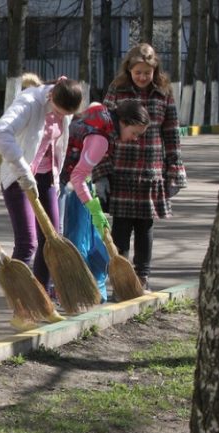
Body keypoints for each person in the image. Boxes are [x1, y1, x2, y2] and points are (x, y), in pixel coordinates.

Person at [0, 77, 83, 322]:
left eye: (66, 115)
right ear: (51, 97)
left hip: (46, 178)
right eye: (58, 112)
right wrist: (22, 169)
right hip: (19, 178)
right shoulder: (29, 102)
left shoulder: (65, 108)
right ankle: (21, 309)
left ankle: (41, 302)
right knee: (28, 242)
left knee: (52, 238)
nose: (61, 117)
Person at [98, 43, 187, 291]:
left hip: (151, 169)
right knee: (121, 226)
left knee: (145, 225)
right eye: (138, 72)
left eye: (147, 73)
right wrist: (102, 172)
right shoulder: (117, 90)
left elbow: (171, 132)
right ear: (129, 69)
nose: (142, 77)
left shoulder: (163, 93)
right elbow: (102, 128)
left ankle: (143, 276)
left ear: (155, 70)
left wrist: (175, 171)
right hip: (121, 168)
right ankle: (119, 275)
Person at [60, 99, 150, 301]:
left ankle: (93, 288)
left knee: (93, 243)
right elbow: (77, 177)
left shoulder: (101, 113)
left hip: (73, 181)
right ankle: (75, 292)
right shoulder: (101, 139)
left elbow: (92, 103)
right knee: (76, 241)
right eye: (134, 133)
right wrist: (94, 209)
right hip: (63, 181)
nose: (134, 139)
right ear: (124, 122)